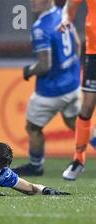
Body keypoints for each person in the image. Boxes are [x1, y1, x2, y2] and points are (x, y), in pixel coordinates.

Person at [14, 0, 82, 176]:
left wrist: (28, 71)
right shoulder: (63, 13)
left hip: (52, 90)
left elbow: (45, 66)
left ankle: (36, 165)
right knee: (76, 123)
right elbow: (78, 44)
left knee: (33, 127)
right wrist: (72, 72)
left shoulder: (40, 27)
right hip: (72, 84)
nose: (32, 2)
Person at [59, 0, 96, 180]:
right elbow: (69, 7)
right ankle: (78, 160)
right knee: (87, 107)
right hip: (93, 53)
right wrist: (66, 20)